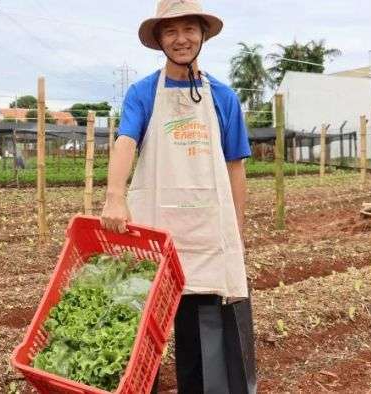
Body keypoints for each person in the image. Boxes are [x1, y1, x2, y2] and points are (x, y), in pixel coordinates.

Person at [100, 1, 255, 393]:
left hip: (205, 237)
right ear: (158, 39)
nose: (181, 39)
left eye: (189, 29)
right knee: (140, 339)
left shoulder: (223, 97)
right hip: (155, 234)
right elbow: (125, 142)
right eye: (170, 31)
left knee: (204, 342)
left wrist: (235, 230)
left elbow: (236, 167)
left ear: (202, 34)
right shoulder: (141, 94)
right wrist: (114, 196)